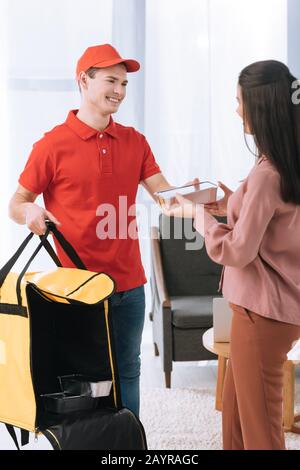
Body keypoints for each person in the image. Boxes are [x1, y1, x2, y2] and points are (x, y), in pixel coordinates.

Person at [8, 43, 198, 418]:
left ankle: (128, 446)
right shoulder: (51, 146)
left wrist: (194, 199)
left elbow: (165, 197)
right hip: (76, 287)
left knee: (128, 370)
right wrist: (30, 209)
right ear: (84, 80)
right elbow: (16, 203)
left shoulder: (134, 141)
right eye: (111, 80)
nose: (120, 91)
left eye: (125, 84)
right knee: (83, 377)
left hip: (129, 284)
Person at [164, 60, 300, 450]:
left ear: (261, 105)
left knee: (259, 429)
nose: (236, 109)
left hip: (260, 315)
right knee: (238, 420)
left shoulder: (267, 173)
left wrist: (196, 216)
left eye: (240, 101)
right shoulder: (282, 164)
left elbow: (237, 250)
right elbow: (272, 220)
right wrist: (224, 203)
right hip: (273, 312)